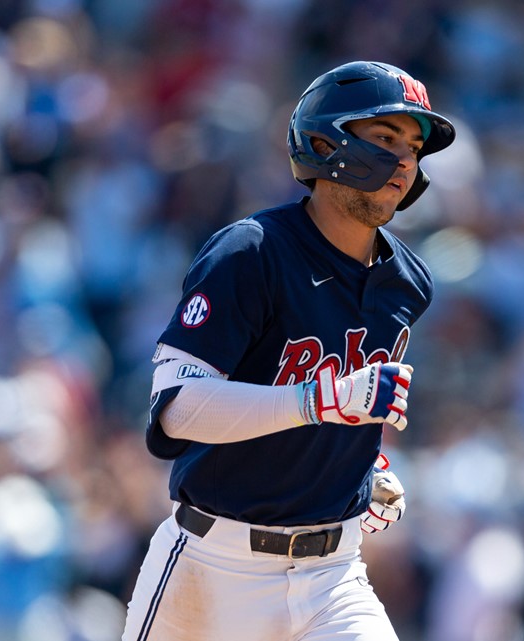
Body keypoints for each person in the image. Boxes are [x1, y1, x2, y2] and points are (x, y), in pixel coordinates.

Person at [120, 60, 456, 641]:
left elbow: (343, 411)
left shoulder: (408, 282)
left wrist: (359, 470)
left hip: (334, 575)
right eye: (385, 137)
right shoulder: (251, 252)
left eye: (414, 146)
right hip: (213, 566)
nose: (406, 160)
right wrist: (317, 401)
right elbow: (176, 408)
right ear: (324, 142)